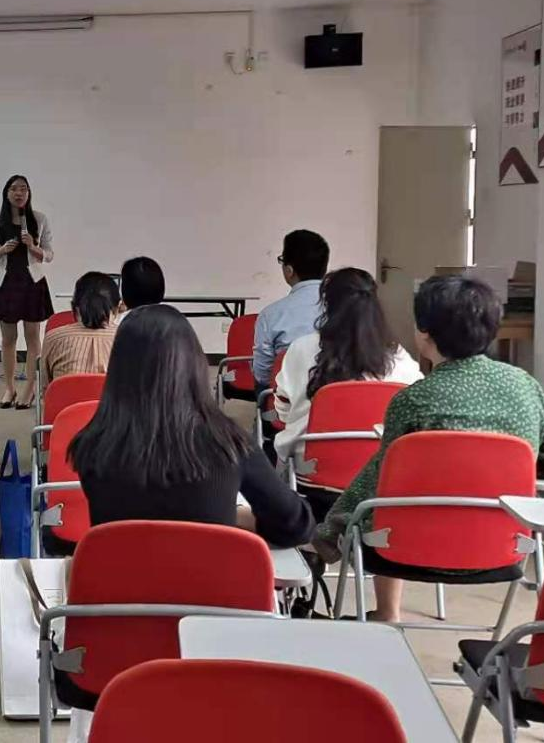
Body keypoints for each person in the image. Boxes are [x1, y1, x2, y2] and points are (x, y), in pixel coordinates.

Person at [313, 275, 544, 622]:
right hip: (504, 545)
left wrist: (330, 530)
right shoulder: (526, 387)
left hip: (407, 546)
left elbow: (381, 479)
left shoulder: (413, 400)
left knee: (379, 507)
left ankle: (386, 613)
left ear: (424, 333)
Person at [68, 305, 313, 548]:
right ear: (194, 363)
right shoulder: (228, 443)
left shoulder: (91, 445)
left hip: (118, 574)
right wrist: (233, 515)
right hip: (210, 574)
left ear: (118, 367)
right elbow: (297, 526)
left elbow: (144, 515)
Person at [273, 268, 423, 470]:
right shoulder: (398, 356)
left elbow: (283, 409)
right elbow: (417, 406)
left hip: (310, 467)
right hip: (379, 468)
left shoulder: (300, 348)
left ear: (328, 305)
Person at [0, 174, 54, 409]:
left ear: (29, 193)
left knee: (33, 338)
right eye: (14, 189)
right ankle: (9, 388)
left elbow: (49, 254)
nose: (19, 193)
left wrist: (32, 246)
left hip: (32, 283)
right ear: (6, 193)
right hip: (5, 283)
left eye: (24, 189)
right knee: (8, 339)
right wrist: (2, 250)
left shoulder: (39, 219)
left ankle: (29, 389)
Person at [252, 229, 329, 390]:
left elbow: (262, 375)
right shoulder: (346, 309)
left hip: (286, 399)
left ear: (289, 270)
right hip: (335, 397)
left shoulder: (270, 315)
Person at [41, 271, 119, 381]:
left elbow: (46, 387)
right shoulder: (131, 340)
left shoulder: (53, 339)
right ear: (116, 309)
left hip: (66, 393)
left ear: (74, 308)